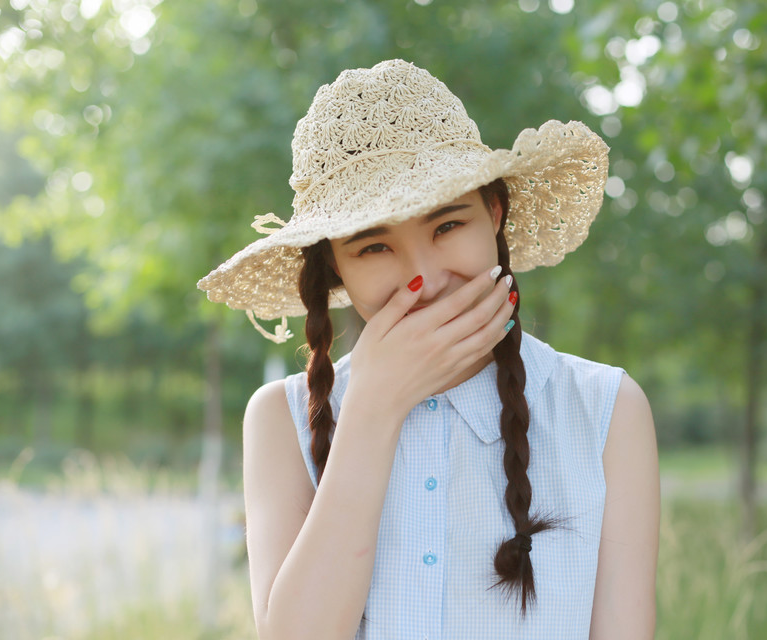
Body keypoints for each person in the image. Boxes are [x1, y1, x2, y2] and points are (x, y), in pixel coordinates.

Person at [198, 59, 658, 640]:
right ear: (333, 266)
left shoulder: (604, 408)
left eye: (446, 226)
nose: (427, 277)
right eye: (373, 248)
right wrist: (375, 407)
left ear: (494, 214)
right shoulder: (279, 418)